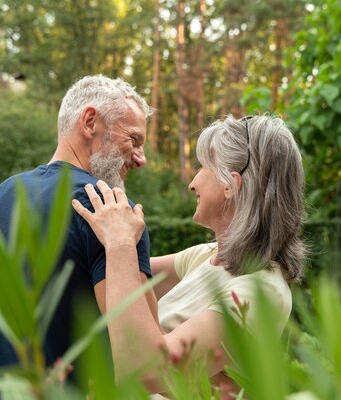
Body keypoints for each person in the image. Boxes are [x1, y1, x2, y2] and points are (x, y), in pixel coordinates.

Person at [0, 75, 157, 392]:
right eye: (133, 140)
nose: (141, 159)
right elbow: (147, 362)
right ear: (90, 121)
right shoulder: (112, 215)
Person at [73, 114, 306, 395]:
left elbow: (147, 371)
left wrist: (121, 244)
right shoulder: (209, 257)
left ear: (231, 185)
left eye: (204, 166)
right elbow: (119, 280)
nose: (192, 183)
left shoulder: (262, 292)